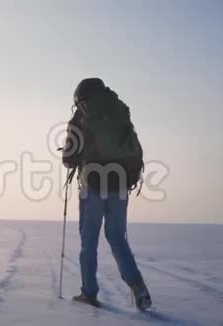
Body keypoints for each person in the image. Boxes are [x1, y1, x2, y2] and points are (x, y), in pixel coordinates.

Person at [62, 78, 152, 310]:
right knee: (117, 238)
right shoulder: (119, 110)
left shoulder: (80, 117)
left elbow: (69, 160)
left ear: (80, 99)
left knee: (89, 241)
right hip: (120, 184)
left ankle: (89, 293)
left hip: (92, 186)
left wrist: (72, 157)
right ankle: (139, 288)